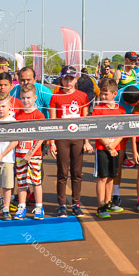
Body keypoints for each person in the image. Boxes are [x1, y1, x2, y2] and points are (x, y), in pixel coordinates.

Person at [48, 66, 92, 216]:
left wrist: (87, 141)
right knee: (62, 172)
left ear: (75, 80)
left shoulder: (82, 96)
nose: (68, 82)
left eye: (71, 79)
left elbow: (85, 120)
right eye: (65, 79)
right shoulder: (55, 97)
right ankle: (61, 204)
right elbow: (52, 121)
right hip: (62, 138)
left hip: (77, 138)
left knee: (77, 172)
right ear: (61, 79)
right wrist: (52, 142)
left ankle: (76, 203)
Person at [91, 78, 125, 219]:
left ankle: (108, 201)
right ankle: (101, 206)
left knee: (112, 177)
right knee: (102, 177)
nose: (103, 97)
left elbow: (123, 130)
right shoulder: (98, 109)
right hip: (102, 148)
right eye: (102, 94)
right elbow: (96, 129)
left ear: (114, 94)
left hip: (116, 148)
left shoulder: (121, 110)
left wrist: (114, 144)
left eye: (106, 94)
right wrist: (107, 145)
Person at [13, 83, 46, 220]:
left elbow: (41, 137)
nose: (26, 101)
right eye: (23, 98)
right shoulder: (18, 116)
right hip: (20, 154)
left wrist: (30, 153)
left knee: (36, 182)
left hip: (34, 155)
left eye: (29, 98)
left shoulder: (39, 115)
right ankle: (22, 206)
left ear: (34, 98)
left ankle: (39, 207)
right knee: (21, 182)